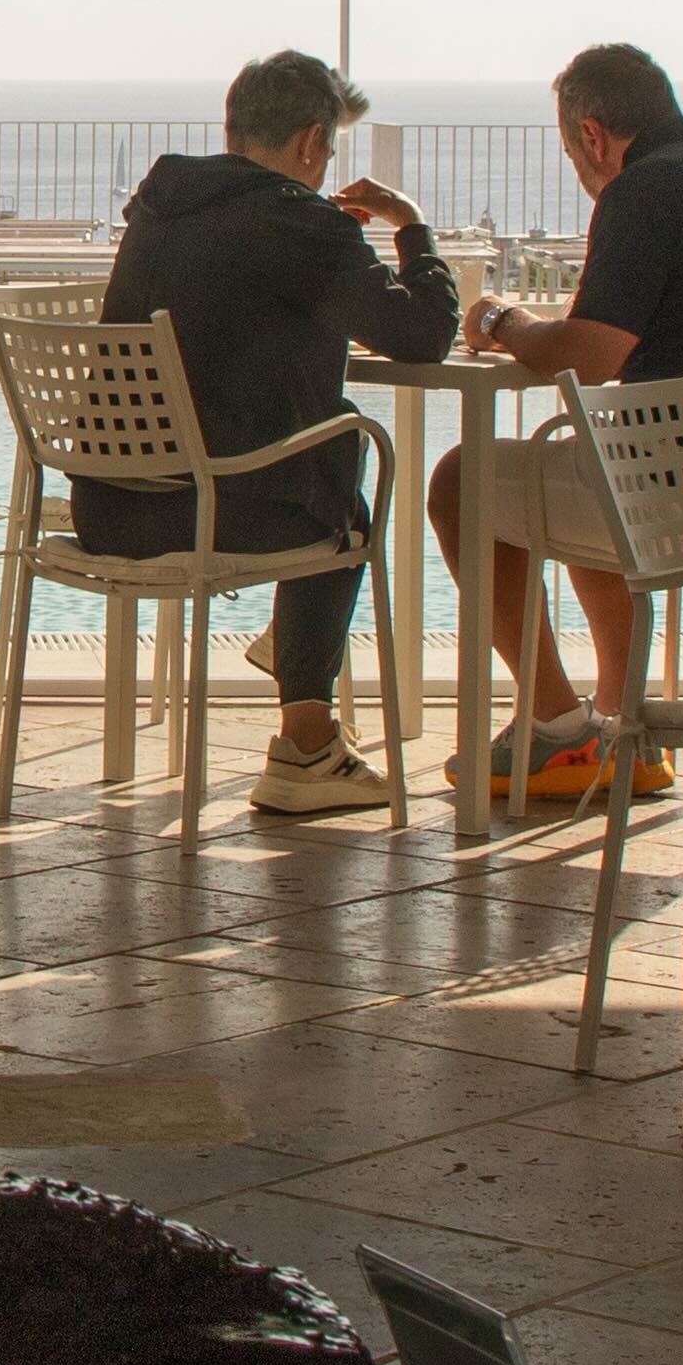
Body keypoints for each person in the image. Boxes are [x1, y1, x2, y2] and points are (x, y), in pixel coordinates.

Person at [434, 40, 683, 804]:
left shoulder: (644, 192)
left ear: (591, 134)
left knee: (459, 482)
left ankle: (555, 726)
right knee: (597, 453)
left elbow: (589, 355)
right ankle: (621, 723)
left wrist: (503, 321)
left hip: (677, 505)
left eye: (571, 155)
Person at [85, 48, 456, 816]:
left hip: (109, 508)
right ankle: (305, 747)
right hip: (211, 515)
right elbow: (422, 334)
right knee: (344, 486)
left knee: (320, 469)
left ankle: (296, 670)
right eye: (330, 150)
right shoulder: (298, 221)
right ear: (313, 140)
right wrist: (412, 227)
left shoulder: (157, 208)